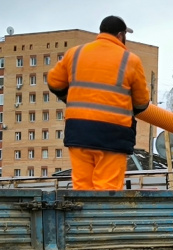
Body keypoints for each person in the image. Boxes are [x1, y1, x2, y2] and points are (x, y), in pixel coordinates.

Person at [48, 16, 150, 190]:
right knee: (107, 190)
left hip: (79, 132)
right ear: (120, 35)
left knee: (81, 189)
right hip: (113, 135)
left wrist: (71, 99)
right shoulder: (130, 60)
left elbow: (54, 82)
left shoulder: (75, 53)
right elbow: (141, 103)